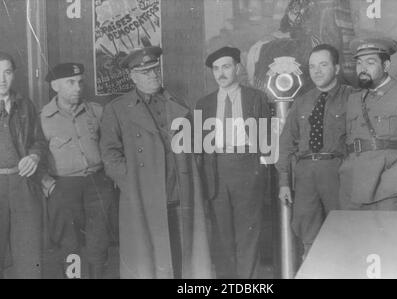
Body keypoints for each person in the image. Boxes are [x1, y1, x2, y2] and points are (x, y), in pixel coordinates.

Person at [100, 46, 211, 279]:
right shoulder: (117, 109)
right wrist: (133, 184)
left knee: (185, 255)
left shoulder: (177, 103)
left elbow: (196, 148)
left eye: (154, 70)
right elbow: (110, 156)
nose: (153, 76)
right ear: (132, 77)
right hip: (145, 196)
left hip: (181, 193)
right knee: (151, 259)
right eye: (145, 72)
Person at [195, 46, 271, 279]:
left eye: (226, 66)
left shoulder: (256, 98)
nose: (221, 73)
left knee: (248, 234)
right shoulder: (204, 104)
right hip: (216, 170)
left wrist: (263, 173)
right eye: (216, 69)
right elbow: (199, 147)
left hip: (248, 167)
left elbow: (268, 141)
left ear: (237, 68)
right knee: (220, 235)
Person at [277, 44, 353, 259]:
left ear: (337, 68)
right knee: (308, 235)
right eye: (312, 66)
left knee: (343, 232)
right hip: (305, 175)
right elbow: (286, 144)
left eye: (323, 65)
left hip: (336, 172)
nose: (317, 71)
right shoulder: (301, 102)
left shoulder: (352, 96)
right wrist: (284, 182)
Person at [339, 37, 397, 211]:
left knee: (395, 238)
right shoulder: (353, 99)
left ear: (386, 66)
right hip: (353, 189)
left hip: (393, 189)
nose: (363, 69)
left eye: (370, 62)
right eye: (359, 63)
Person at [40, 63, 115, 278]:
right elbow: (34, 154)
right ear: (55, 86)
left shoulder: (96, 111)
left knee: (98, 243)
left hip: (97, 183)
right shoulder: (43, 118)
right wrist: (49, 185)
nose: (77, 87)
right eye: (70, 82)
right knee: (68, 244)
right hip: (63, 186)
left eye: (80, 82)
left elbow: (111, 145)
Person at [0, 51, 46, 278]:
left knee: (28, 251)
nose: (1, 79)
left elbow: (38, 141)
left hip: (22, 182)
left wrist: (35, 156)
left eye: (7, 72)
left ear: (14, 75)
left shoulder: (24, 104)